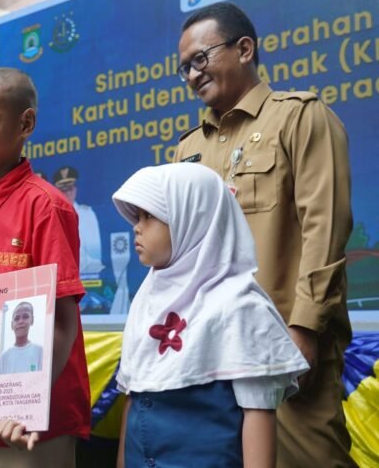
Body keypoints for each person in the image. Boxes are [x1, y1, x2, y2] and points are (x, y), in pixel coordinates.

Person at [175, 2, 355, 467]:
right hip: (208, 354)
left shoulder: (299, 117)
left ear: (245, 49)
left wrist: (305, 330)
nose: (193, 75)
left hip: (285, 348)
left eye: (201, 59)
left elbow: (326, 229)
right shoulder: (185, 151)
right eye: (184, 69)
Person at [111, 163, 309, 468]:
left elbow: (257, 413)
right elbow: (134, 398)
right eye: (137, 217)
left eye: (149, 216)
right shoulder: (145, 300)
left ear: (192, 219)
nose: (137, 227)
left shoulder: (240, 307)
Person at [0, 67, 90, 467]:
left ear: (25, 123)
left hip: (31, 421)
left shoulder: (46, 205)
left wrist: (26, 404)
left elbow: (62, 321)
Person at [53, 166, 105, 276]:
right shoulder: (50, 217)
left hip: (86, 277)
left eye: (70, 188)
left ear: (75, 190)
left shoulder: (86, 214)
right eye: (63, 189)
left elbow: (94, 255)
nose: (67, 193)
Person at [0, 301, 43, 374]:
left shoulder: (39, 351)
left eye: (25, 316)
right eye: (16, 318)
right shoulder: (4, 356)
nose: (20, 321)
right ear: (12, 325)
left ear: (32, 320)